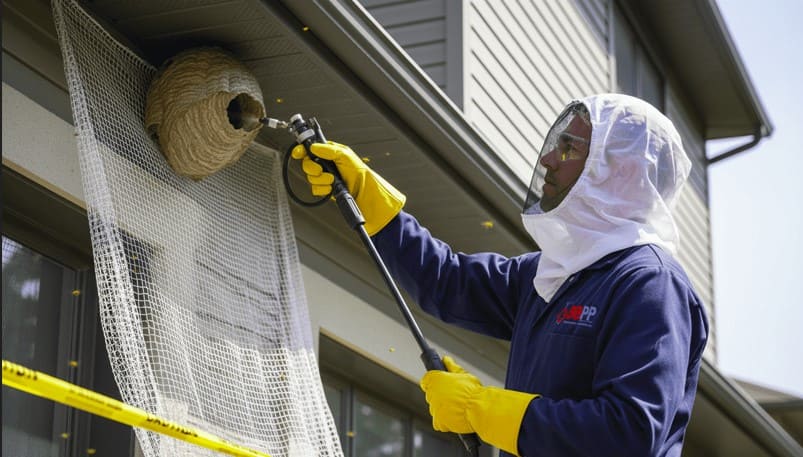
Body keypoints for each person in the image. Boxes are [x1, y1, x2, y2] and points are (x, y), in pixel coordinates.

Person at [292, 93, 709, 457]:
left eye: (569, 148)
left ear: (619, 171)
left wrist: (482, 409)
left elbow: (628, 434)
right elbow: (448, 282)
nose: (547, 159)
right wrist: (369, 199)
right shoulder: (555, 273)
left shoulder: (650, 283)